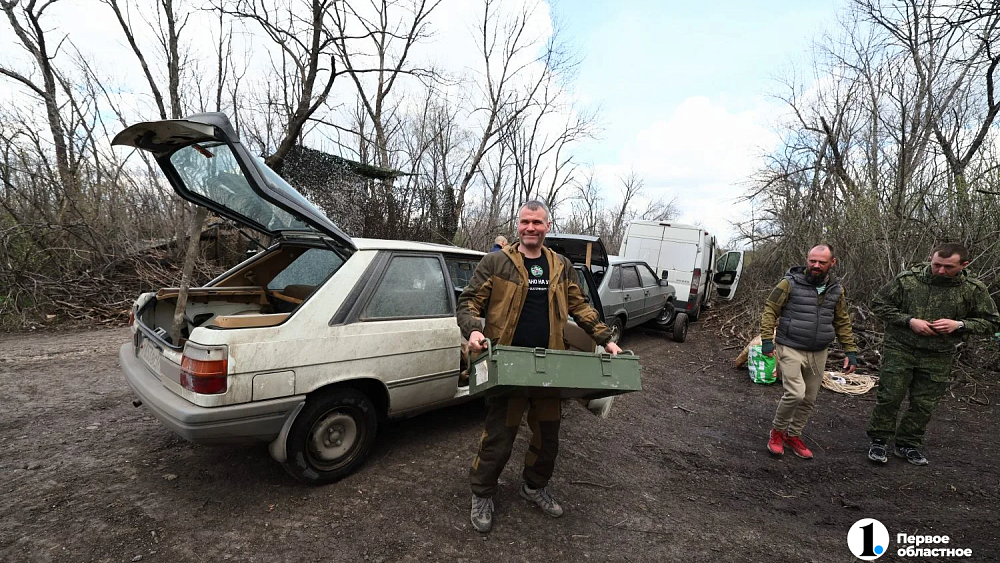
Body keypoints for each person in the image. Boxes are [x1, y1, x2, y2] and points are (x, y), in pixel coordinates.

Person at [457, 200, 622, 533]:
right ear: (518, 225)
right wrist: (474, 329)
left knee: (548, 437)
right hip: (509, 365)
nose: (530, 228)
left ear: (547, 226)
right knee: (499, 437)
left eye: (537, 222)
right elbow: (469, 301)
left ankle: (534, 486)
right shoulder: (496, 262)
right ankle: (482, 492)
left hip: (549, 367)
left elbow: (580, 306)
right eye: (525, 222)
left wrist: (605, 338)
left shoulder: (561, 266)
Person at [866, 243, 999, 466]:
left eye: (948, 267)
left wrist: (959, 324)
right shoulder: (908, 280)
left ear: (963, 265)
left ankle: (908, 443)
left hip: (939, 354)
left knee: (924, 403)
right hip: (901, 347)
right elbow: (878, 304)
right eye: (936, 264)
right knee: (890, 396)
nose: (940, 271)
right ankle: (879, 440)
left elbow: (992, 321)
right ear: (930, 258)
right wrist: (909, 321)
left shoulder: (972, 289)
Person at [760, 244, 858, 459]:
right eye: (812, 260)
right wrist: (767, 340)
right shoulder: (789, 283)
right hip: (790, 345)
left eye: (821, 262)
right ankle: (777, 432)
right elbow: (770, 309)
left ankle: (793, 434)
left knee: (809, 398)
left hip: (818, 350)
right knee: (795, 393)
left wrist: (850, 351)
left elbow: (842, 320)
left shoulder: (836, 290)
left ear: (833, 263)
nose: (815, 265)